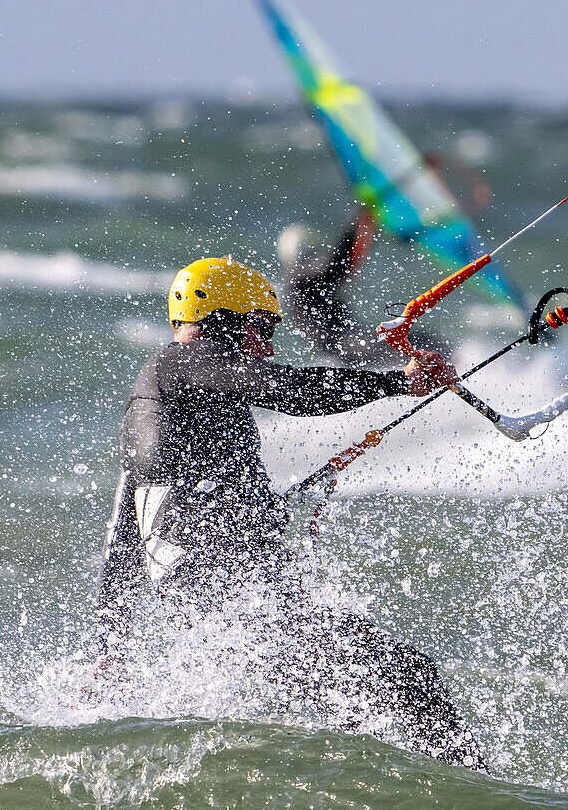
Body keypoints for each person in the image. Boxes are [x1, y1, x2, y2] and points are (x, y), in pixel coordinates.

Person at [94, 256, 487, 770]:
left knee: (366, 707)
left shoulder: (164, 396)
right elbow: (287, 388)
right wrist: (397, 382)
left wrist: (108, 645)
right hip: (242, 618)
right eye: (263, 327)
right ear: (223, 321)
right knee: (413, 681)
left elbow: (126, 531)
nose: (270, 344)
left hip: (230, 621)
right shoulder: (181, 367)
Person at [277, 214, 443, 366]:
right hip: (346, 346)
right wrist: (361, 217)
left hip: (347, 345)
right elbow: (338, 261)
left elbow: (345, 262)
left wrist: (366, 225)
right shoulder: (301, 277)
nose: (319, 254)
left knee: (419, 338)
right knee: (416, 340)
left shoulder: (295, 282)